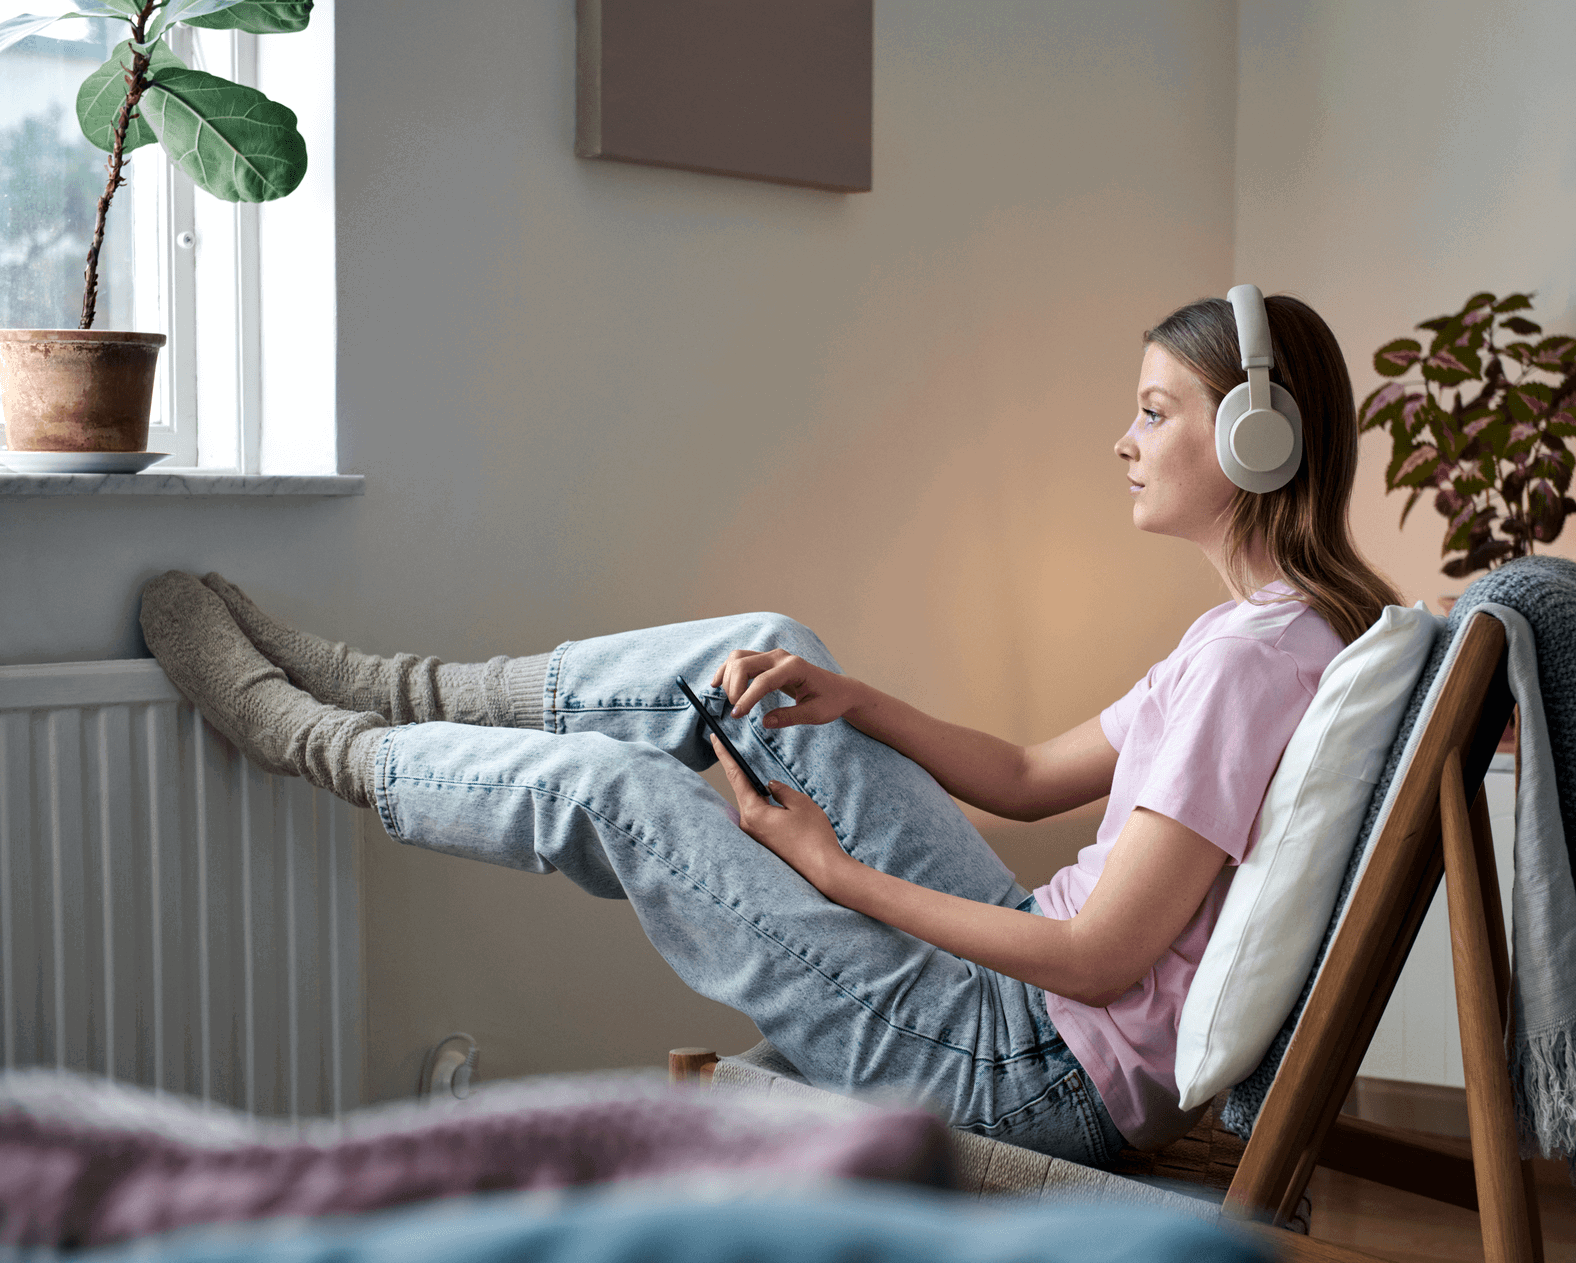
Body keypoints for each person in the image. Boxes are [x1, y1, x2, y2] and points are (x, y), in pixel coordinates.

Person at [138, 289, 1400, 1166]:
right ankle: (386, 685)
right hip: (1018, 996)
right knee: (770, 655)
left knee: (618, 795)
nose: (1121, 440)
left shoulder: (1250, 664)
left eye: (1155, 411)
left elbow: (1098, 960)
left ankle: (311, 735)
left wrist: (831, 870)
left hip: (1029, 1069)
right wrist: (856, 700)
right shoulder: (1274, 636)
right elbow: (1023, 778)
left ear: (1256, 439)